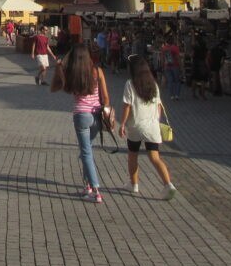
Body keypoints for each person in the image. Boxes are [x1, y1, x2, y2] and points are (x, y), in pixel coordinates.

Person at [52, 43, 110, 204]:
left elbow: (55, 87)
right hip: (96, 115)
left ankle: (96, 191)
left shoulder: (71, 73)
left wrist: (58, 68)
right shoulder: (98, 71)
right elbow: (106, 97)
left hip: (81, 115)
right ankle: (88, 186)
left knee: (85, 152)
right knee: (87, 151)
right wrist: (106, 111)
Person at [119, 56, 177, 200]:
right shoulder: (153, 84)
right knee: (155, 158)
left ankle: (134, 184)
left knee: (133, 155)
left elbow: (127, 106)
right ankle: (168, 184)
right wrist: (156, 120)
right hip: (152, 127)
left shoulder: (130, 84)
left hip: (136, 126)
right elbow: (158, 106)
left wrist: (122, 123)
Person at [160, 36, 181, 100]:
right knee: (177, 81)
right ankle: (177, 95)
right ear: (173, 41)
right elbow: (178, 58)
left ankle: (171, 95)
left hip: (167, 66)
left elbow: (162, 58)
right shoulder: (175, 48)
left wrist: (162, 66)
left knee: (170, 81)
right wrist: (180, 66)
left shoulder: (164, 48)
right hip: (175, 66)